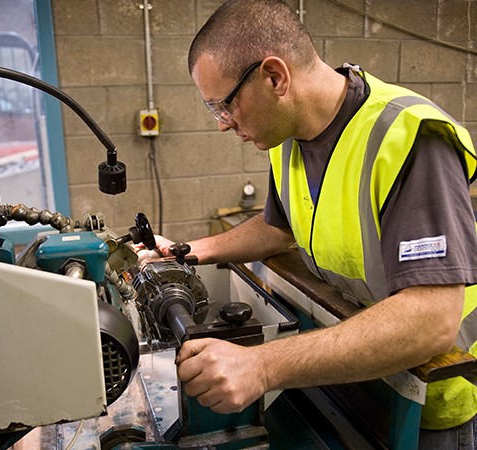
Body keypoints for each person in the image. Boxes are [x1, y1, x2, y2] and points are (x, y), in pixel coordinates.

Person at [148, 0, 477, 448]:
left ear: (275, 77)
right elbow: (277, 228)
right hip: (354, 372)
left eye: (224, 105)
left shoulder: (408, 137)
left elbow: (431, 320)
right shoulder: (288, 139)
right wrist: (188, 251)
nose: (224, 124)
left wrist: (261, 365)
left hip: (428, 400)